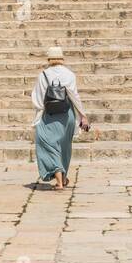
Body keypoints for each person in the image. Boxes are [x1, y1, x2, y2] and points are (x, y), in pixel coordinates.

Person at [31, 47, 88, 190]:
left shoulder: (44, 74)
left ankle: (60, 182)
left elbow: (38, 98)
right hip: (66, 114)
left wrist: (40, 111)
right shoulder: (69, 74)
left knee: (48, 144)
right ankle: (62, 177)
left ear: (49, 59)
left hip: (49, 115)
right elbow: (75, 96)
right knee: (64, 147)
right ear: (62, 58)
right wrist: (83, 115)